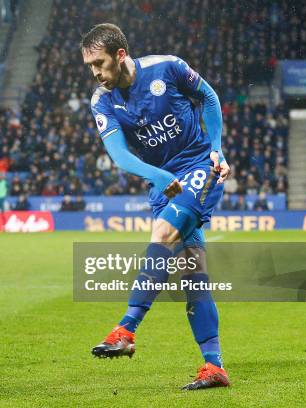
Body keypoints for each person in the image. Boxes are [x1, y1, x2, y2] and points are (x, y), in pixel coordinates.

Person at [82, 23, 231, 390]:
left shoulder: (168, 68)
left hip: (200, 168)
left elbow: (209, 98)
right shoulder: (102, 100)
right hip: (165, 184)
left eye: (99, 63)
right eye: (89, 67)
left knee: (162, 234)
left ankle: (126, 329)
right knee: (193, 273)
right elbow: (118, 155)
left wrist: (217, 149)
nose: (96, 73)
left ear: (120, 55)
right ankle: (215, 367)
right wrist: (161, 178)